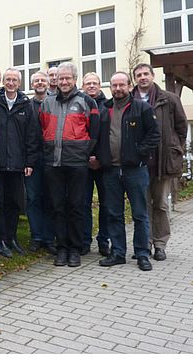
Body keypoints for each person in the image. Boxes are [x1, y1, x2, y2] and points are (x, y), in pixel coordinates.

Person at [98, 71, 160, 271]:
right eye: (114, 85)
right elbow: (98, 137)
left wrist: (138, 153)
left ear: (129, 86)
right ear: (110, 87)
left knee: (140, 214)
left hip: (135, 170)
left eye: (121, 85)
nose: (118, 89)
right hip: (111, 171)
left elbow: (154, 134)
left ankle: (142, 254)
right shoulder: (104, 109)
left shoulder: (141, 107)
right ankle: (118, 253)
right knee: (113, 214)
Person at [40, 62, 99, 268]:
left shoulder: (87, 101)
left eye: (68, 78)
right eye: (61, 78)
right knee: (57, 206)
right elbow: (42, 129)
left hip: (77, 163)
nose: (64, 81)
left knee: (76, 206)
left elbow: (94, 132)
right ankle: (62, 248)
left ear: (75, 79)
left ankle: (75, 248)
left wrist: (84, 153)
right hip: (53, 163)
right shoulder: (47, 103)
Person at [132, 63, 187, 261]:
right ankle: (144, 245)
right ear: (135, 79)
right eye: (139, 75)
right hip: (139, 164)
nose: (143, 77)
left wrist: (175, 149)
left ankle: (160, 244)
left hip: (163, 163)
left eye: (146, 73)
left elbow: (181, 128)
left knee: (161, 205)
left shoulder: (169, 99)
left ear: (153, 75)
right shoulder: (130, 99)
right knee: (143, 206)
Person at [0, 68, 39, 257]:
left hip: (18, 164)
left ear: (19, 83)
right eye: (8, 79)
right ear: (3, 81)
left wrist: (29, 162)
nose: (10, 83)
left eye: (14, 80)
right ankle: (0, 239)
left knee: (14, 202)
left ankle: (12, 237)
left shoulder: (26, 104)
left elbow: (32, 135)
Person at [25, 70, 56, 254]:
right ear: (32, 85)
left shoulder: (55, 103)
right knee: (33, 199)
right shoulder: (27, 106)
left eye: (42, 80)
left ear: (48, 83)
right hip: (33, 160)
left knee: (50, 198)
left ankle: (49, 237)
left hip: (52, 159)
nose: (39, 83)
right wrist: (28, 161)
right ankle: (36, 236)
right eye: (36, 80)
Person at [81, 72, 111, 256]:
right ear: (82, 86)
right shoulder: (78, 105)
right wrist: (86, 157)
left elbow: (109, 136)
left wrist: (98, 157)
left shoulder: (108, 106)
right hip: (82, 163)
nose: (91, 86)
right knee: (83, 203)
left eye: (94, 83)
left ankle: (103, 240)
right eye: (88, 83)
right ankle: (85, 240)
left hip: (103, 163)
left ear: (100, 85)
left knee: (105, 204)